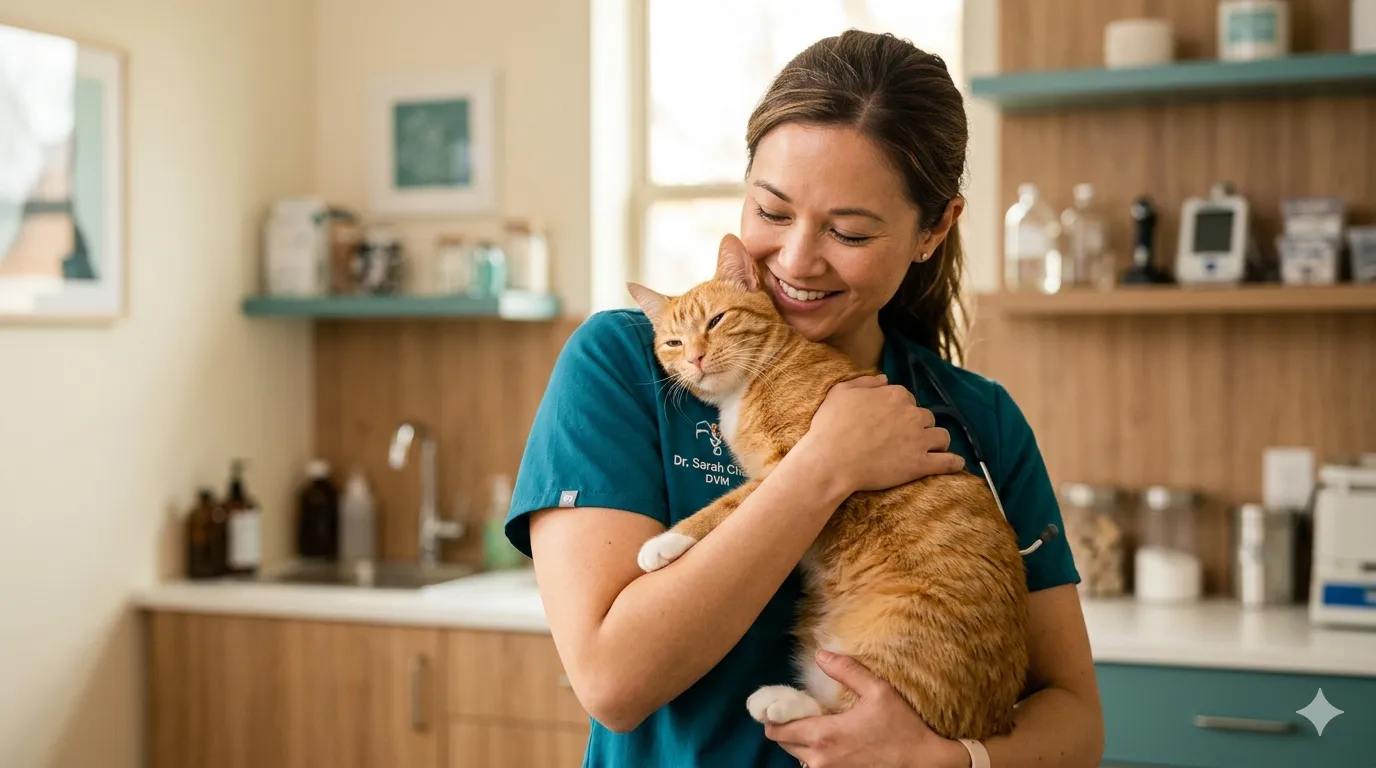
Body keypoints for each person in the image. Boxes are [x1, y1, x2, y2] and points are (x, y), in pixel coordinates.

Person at [505, 29, 1105, 768]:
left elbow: (1076, 722)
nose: (795, 260)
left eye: (849, 231)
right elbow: (612, 681)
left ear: (933, 230)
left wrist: (951, 762)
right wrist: (824, 466)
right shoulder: (627, 364)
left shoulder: (978, 419)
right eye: (773, 212)